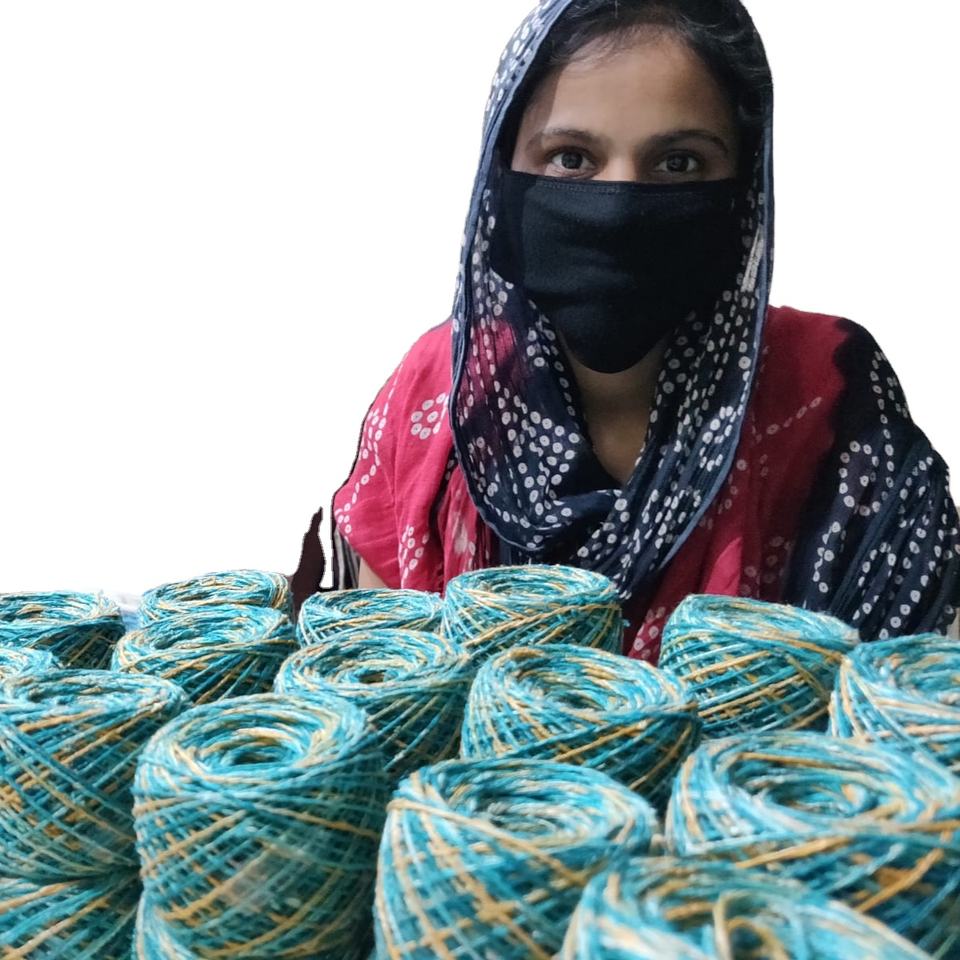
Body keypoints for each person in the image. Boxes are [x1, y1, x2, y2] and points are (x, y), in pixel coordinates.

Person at [293, 0, 960, 659]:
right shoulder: (438, 394)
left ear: (744, 185)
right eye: (570, 158)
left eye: (678, 163)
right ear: (501, 174)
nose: (618, 207)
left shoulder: (828, 397)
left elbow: (906, 693)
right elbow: (377, 682)